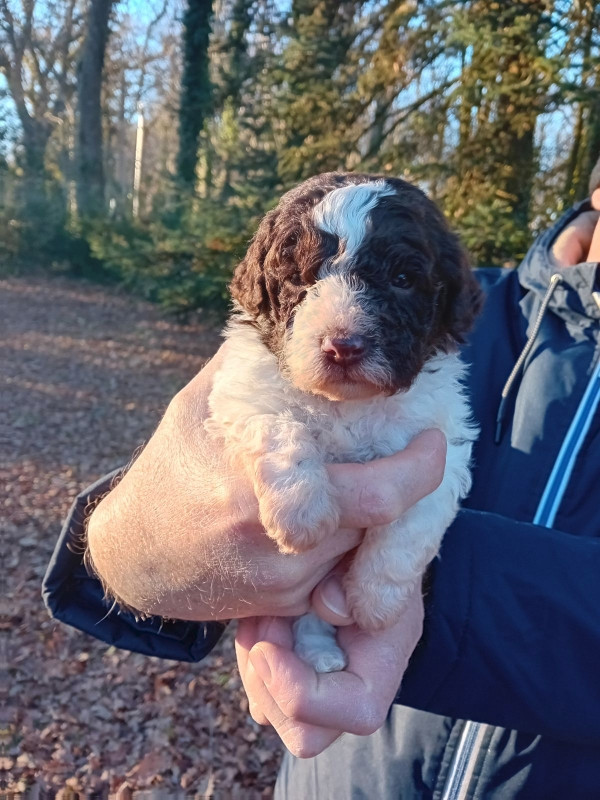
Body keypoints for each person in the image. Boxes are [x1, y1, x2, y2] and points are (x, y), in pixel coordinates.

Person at [44, 160, 600, 798]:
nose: (344, 332)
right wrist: (126, 541)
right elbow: (216, 441)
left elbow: (442, 472)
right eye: (305, 278)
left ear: (438, 301)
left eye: (395, 278)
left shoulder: (444, 310)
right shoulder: (490, 303)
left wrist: (414, 578)